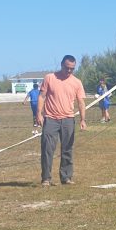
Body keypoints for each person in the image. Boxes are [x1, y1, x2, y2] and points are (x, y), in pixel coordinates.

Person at [37, 55, 87, 187]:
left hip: (68, 120)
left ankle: (66, 177)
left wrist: (83, 119)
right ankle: (46, 178)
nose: (69, 71)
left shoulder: (77, 82)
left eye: (72, 69)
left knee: (67, 149)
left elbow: (81, 102)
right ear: (61, 65)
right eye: (67, 68)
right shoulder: (50, 78)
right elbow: (42, 96)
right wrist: (39, 114)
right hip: (51, 119)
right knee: (47, 149)